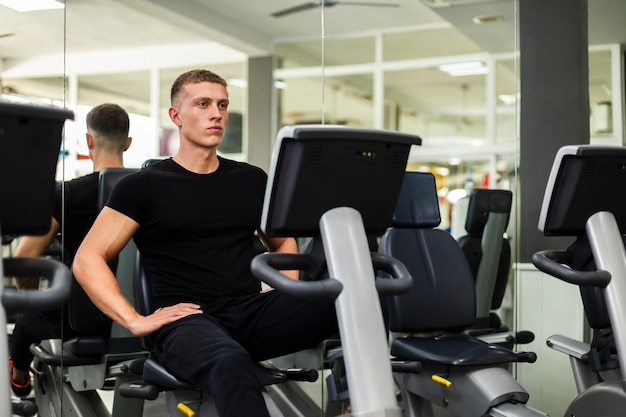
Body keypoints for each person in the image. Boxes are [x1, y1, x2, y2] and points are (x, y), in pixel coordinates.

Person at [72, 69, 338, 417]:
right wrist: (135, 320)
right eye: (203, 104)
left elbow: (283, 242)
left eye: (222, 105)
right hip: (186, 322)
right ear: (176, 116)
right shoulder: (143, 185)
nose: (217, 113)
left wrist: (281, 292)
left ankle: (353, 403)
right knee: (230, 362)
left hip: (248, 312)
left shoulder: (250, 179)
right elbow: (88, 259)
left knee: (352, 299)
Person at [9, 103, 132, 397]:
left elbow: (23, 261)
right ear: (128, 143)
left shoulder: (67, 194)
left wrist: (33, 296)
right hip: (143, 316)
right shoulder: (153, 188)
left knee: (26, 323)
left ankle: (19, 378)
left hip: (82, 322)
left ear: (88, 141)